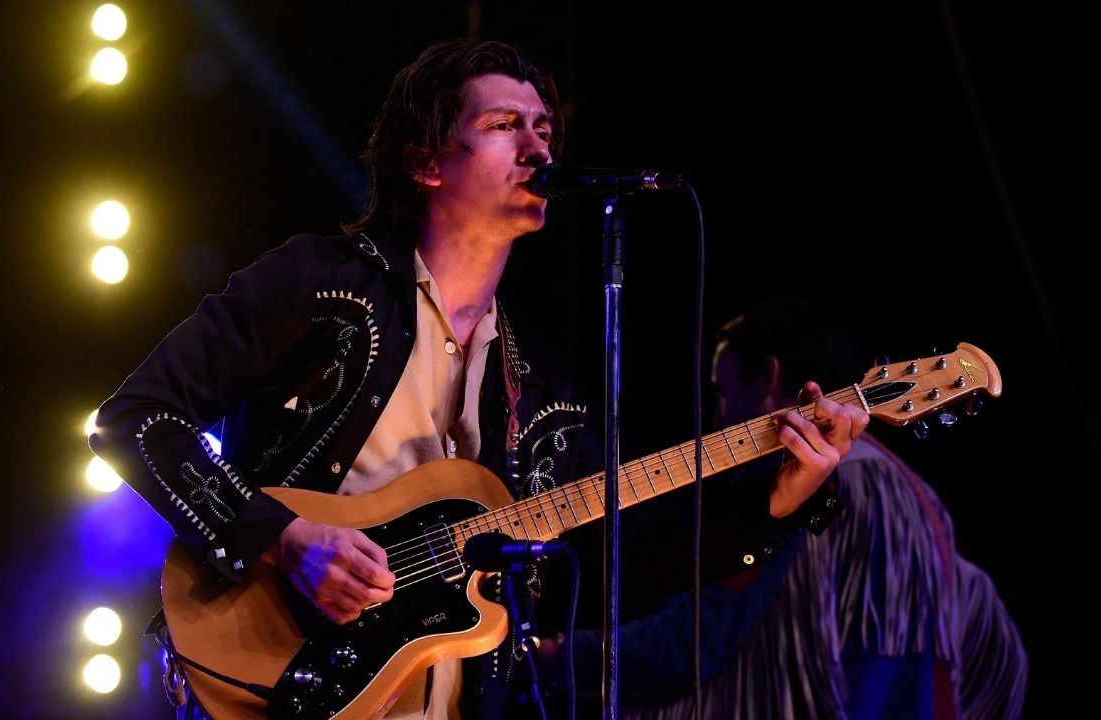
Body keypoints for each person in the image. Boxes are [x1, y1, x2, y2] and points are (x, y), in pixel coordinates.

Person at [88, 39, 868, 719]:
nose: (538, 149)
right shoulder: (318, 286)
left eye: (545, 130)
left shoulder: (544, 389)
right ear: (426, 161)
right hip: (280, 682)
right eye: (503, 126)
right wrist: (287, 541)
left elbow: (608, 567)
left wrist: (776, 499)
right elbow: (137, 418)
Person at [544, 297, 1028, 718]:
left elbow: (696, 644)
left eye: (721, 391)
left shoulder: (805, 476)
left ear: (770, 375)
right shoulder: (912, 494)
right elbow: (998, 658)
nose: (716, 417)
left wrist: (558, 656)